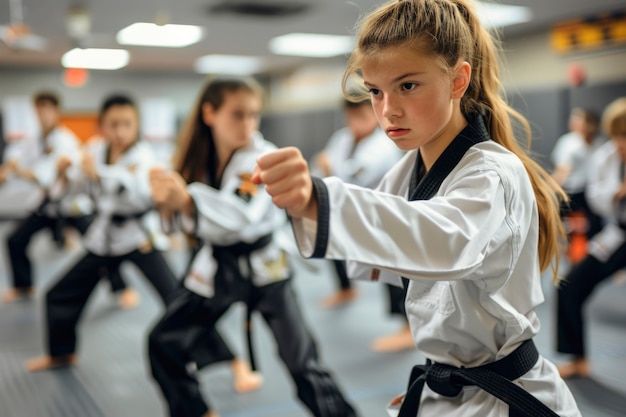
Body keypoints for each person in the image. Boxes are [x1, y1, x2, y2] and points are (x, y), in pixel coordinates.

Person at [253, 0, 581, 416]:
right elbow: (382, 251)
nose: (387, 109)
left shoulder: (493, 172)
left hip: (507, 396)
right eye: (375, 91)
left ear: (458, 80)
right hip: (450, 388)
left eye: (407, 85)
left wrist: (317, 198)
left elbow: (442, 241)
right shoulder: (409, 169)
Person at [147, 75, 357, 417]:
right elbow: (180, 223)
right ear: (209, 113)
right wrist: (166, 198)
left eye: (253, 115)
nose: (247, 124)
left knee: (301, 362)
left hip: (266, 269)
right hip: (217, 268)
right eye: (237, 114)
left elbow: (241, 215)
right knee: (164, 340)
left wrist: (185, 200)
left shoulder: (264, 158)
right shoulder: (196, 158)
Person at [24, 94, 179, 372]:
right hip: (104, 236)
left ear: (137, 125)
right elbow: (74, 188)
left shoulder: (143, 155)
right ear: (103, 126)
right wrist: (64, 173)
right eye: (113, 124)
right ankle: (61, 354)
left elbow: (133, 187)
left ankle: (231, 361)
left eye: (127, 124)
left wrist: (98, 174)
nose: (120, 132)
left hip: (138, 236)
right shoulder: (95, 149)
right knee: (58, 293)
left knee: (178, 300)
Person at [2, 91, 136, 307]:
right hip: (47, 206)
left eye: (48, 109)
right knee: (15, 240)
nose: (43, 115)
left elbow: (47, 176)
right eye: (39, 109)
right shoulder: (34, 140)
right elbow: (17, 159)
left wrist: (28, 172)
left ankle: (121, 289)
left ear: (57, 112)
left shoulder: (65, 141)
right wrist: (11, 170)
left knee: (99, 243)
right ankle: (23, 286)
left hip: (72, 207)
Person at [311, 98, 405, 311]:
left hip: (379, 213)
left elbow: (353, 177)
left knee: (390, 264)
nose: (356, 123)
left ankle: (406, 323)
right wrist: (326, 170)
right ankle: (346, 288)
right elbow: (320, 169)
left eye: (362, 117)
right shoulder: (342, 138)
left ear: (376, 115)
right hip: (344, 206)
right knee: (330, 243)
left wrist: (328, 169)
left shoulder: (383, 144)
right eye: (351, 117)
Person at [556, 97, 626, 379]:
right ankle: (577, 358)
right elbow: (598, 201)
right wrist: (618, 192)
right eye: (617, 135)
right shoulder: (606, 157)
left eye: (625, 136)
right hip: (617, 235)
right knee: (569, 285)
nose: (620, 143)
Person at [551, 107, 605, 260]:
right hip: (571, 190)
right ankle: (566, 256)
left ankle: (594, 256)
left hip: (591, 190)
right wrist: (550, 189)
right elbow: (562, 170)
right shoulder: (568, 142)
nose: (573, 122)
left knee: (595, 224)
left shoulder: (599, 143)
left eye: (578, 119)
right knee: (565, 226)